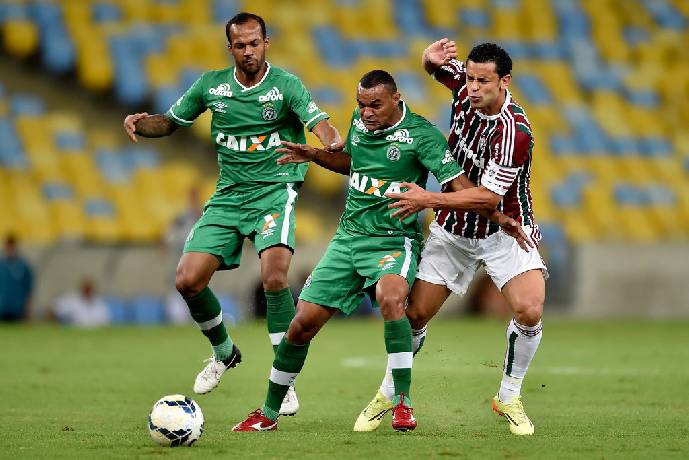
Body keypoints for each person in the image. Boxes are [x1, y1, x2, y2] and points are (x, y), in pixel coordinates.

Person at [231, 70, 527, 433]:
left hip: (393, 239)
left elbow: (459, 186)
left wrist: (497, 216)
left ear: (396, 99)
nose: (366, 113)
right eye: (361, 105)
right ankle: (268, 412)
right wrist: (314, 154)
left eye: (375, 105)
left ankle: (401, 403)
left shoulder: (422, 136)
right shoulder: (359, 122)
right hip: (348, 239)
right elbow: (351, 163)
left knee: (391, 298)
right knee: (300, 326)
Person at [122, 12, 341, 416]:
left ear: (266, 43)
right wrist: (141, 123)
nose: (247, 51)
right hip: (228, 197)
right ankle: (224, 352)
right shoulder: (212, 85)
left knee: (275, 277)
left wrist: (330, 141)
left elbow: (321, 125)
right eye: (240, 45)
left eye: (254, 43)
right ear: (231, 48)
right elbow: (169, 124)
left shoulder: (286, 85)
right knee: (187, 280)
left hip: (275, 192)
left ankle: (283, 379)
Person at [356, 40, 546, 436]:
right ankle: (388, 394)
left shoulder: (515, 131)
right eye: (470, 78)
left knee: (529, 310)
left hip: (505, 229)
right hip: (454, 232)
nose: (472, 87)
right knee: (416, 315)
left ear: (505, 81)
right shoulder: (465, 85)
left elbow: (487, 198)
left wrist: (428, 198)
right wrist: (429, 57)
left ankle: (508, 396)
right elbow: (434, 67)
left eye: (483, 81)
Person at [0, 235, 34, 322]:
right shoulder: (1, 265)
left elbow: (29, 290)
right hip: (2, 308)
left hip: (18, 310)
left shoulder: (23, 266)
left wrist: (29, 311)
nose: (10, 250)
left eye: (12, 247)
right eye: (8, 247)